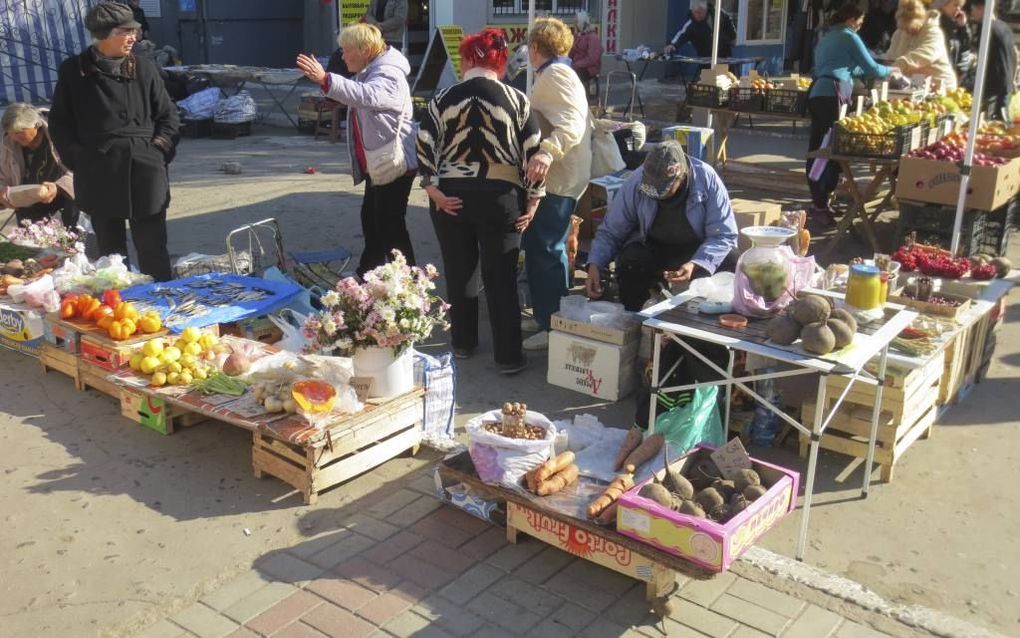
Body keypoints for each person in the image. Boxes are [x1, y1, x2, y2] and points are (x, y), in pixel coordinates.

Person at [416, 28, 544, 375]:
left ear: (468, 59)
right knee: (501, 276)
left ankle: (463, 342)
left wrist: (433, 190)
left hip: (451, 195)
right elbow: (535, 152)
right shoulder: (517, 99)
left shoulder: (441, 98)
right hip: (501, 196)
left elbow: (424, 143)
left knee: (459, 272)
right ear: (500, 61)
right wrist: (534, 200)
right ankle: (508, 356)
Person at [48, 2, 179, 281]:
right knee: (110, 253)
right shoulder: (74, 71)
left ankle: (160, 301)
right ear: (104, 34)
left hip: (146, 169)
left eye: (135, 30)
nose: (135, 36)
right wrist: (79, 159)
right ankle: (118, 305)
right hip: (98, 171)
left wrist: (158, 150)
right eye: (127, 31)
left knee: (153, 248)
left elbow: (168, 116)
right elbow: (59, 124)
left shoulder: (145, 68)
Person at [297, 23, 417, 278]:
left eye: (346, 50)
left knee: (389, 226)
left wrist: (325, 80)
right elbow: (354, 96)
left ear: (365, 50)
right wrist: (327, 86)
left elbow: (365, 95)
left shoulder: (388, 73)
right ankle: (368, 274)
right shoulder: (372, 68)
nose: (342, 56)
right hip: (379, 162)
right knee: (373, 221)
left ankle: (411, 283)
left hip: (394, 162)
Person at [585, 141, 737, 313]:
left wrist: (697, 263)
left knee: (730, 259)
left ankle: (706, 329)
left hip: (696, 252)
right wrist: (595, 265)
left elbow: (724, 235)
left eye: (663, 188)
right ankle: (636, 320)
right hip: (654, 249)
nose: (655, 193)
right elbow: (611, 231)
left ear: (682, 175)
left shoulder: (707, 179)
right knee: (631, 260)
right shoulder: (635, 182)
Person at [521, 17, 593, 352]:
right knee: (548, 247)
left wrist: (548, 152)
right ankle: (550, 317)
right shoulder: (558, 72)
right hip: (565, 176)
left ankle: (552, 325)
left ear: (535, 47)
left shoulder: (555, 74)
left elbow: (572, 124)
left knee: (546, 249)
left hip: (560, 177)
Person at [805, 3, 896, 224]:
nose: (861, 25)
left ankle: (820, 201)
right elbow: (872, 68)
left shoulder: (827, 37)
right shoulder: (849, 36)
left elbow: (842, 67)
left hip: (818, 93)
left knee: (818, 147)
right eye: (860, 21)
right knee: (829, 150)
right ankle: (819, 203)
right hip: (832, 96)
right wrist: (893, 70)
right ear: (852, 19)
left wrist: (859, 70)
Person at [0, 104, 77, 230]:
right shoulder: (8, 143)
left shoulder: (62, 134)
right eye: (11, 133)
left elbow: (84, 171)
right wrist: (1, 191)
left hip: (67, 200)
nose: (14, 137)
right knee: (31, 244)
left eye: (19, 132)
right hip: (28, 207)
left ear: (36, 125)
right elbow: (3, 174)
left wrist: (58, 187)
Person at [886, 0, 957, 90]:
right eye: (904, 28)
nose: (907, 32)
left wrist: (900, 64)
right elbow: (891, 57)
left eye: (911, 28)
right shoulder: (899, 33)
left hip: (941, 87)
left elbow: (926, 54)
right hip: (915, 85)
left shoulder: (934, 32)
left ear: (920, 21)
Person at [969, 0, 1016, 119]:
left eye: (973, 9)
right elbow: (1016, 54)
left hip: (992, 86)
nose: (972, 13)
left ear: (981, 9)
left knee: (990, 122)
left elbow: (979, 56)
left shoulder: (985, 28)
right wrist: (1013, 78)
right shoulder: (1005, 27)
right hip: (1007, 83)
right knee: (1003, 122)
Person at [664, 0, 737, 59]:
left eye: (700, 12)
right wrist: (673, 45)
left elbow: (729, 23)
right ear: (692, 11)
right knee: (708, 76)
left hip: (725, 53)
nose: (698, 15)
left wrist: (733, 37)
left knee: (728, 75)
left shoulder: (719, 13)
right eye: (695, 13)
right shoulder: (691, 24)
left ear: (705, 11)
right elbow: (682, 34)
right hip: (706, 56)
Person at [933, 0, 973, 85]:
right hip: (940, 77)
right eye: (955, 5)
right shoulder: (937, 24)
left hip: (952, 75)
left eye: (960, 6)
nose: (958, 9)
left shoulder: (954, 26)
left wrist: (963, 27)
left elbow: (965, 48)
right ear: (943, 6)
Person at [569, 10, 602, 96]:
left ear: (582, 22)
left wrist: (575, 65)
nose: (574, 24)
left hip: (590, 69)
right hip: (578, 66)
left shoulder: (593, 37)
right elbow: (572, 52)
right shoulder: (579, 35)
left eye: (576, 22)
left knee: (573, 76)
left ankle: (580, 100)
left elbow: (592, 59)